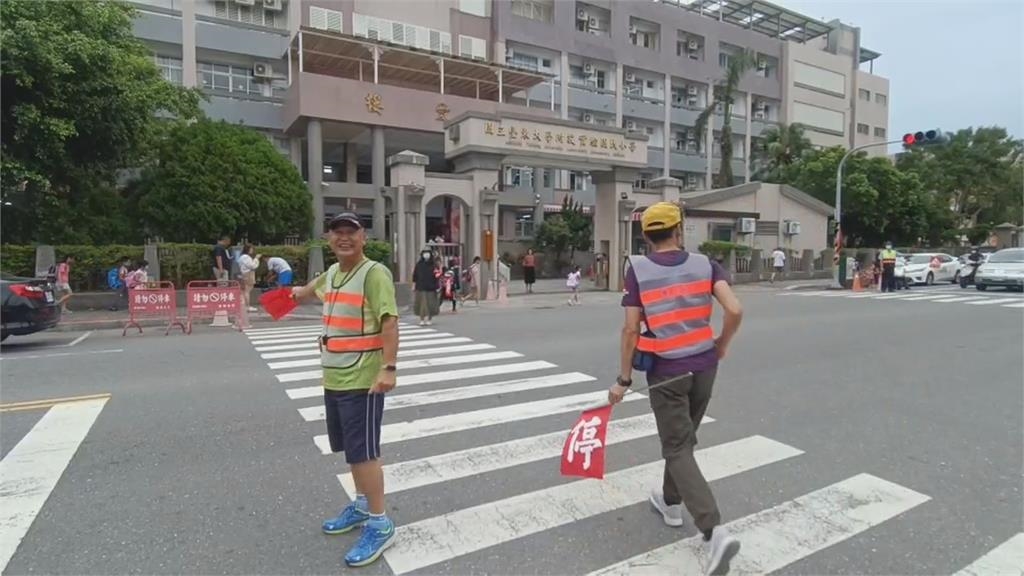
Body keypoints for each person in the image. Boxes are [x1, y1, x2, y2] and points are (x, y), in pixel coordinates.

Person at [608, 202, 743, 576]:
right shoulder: (705, 264)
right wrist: (722, 344)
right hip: (704, 366)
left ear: (646, 236)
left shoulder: (638, 269)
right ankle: (669, 502)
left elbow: (631, 330)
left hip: (667, 372)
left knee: (678, 446)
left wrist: (622, 380)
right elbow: (734, 309)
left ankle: (714, 531)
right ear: (679, 231)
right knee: (683, 441)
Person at [290, 212, 399, 567]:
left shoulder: (374, 273)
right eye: (337, 233)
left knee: (364, 452)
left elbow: (389, 320)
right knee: (351, 451)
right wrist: (291, 293)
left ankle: (381, 524)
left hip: (363, 380)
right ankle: (362, 505)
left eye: (350, 232)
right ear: (329, 239)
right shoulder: (334, 273)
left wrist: (389, 367)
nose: (344, 238)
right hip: (335, 376)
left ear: (363, 237)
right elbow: (310, 289)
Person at [412, 249, 439, 326]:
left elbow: (437, 276)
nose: (426, 255)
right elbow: (415, 275)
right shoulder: (419, 264)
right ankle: (422, 319)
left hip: (431, 287)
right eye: (424, 253)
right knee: (422, 304)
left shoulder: (434, 265)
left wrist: (437, 286)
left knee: (431, 304)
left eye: (428, 253)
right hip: (420, 286)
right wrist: (414, 285)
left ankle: (429, 319)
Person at [237, 244, 262, 313]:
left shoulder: (242, 257)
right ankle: (247, 306)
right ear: (247, 249)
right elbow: (252, 266)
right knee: (247, 290)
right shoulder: (246, 257)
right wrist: (256, 259)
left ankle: (244, 305)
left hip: (244, 274)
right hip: (248, 274)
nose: (252, 250)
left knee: (244, 290)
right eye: (251, 249)